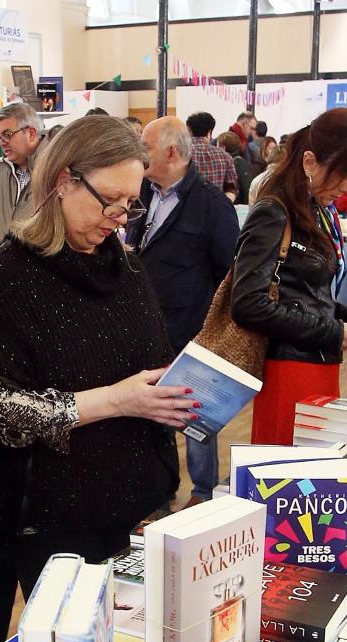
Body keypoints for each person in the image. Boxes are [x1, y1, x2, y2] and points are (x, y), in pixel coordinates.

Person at [0, 115, 189, 600]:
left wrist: (178, 392)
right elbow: (4, 413)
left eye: (130, 204)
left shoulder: (126, 268)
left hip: (135, 502)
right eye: (109, 201)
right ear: (63, 180)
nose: (119, 218)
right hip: (52, 520)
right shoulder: (6, 276)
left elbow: (151, 365)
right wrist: (117, 401)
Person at [230, 107, 347, 446]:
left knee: (314, 477)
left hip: (319, 364)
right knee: (285, 482)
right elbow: (249, 303)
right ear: (309, 162)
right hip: (289, 370)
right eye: (342, 175)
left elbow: (305, 289)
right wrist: (330, 330)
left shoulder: (316, 211)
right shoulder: (274, 213)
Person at [127, 116, 239, 504]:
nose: (139, 157)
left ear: (172, 153)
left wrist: (217, 335)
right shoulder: (140, 194)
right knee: (148, 418)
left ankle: (203, 493)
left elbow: (230, 276)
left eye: (147, 149)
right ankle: (158, 489)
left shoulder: (210, 206)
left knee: (195, 419)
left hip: (191, 334)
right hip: (143, 330)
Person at [0, 102, 46, 250]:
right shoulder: (2, 177)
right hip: (3, 269)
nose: (1, 143)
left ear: (31, 133)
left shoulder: (55, 174)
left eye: (7, 135)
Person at [185, 112, 239, 200]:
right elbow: (232, 188)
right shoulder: (225, 156)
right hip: (216, 208)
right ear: (209, 132)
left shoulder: (181, 154)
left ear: (189, 130)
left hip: (186, 208)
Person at [217, 131, 253, 204]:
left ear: (223, 147)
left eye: (217, 145)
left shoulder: (237, 162)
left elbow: (246, 188)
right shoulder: (237, 161)